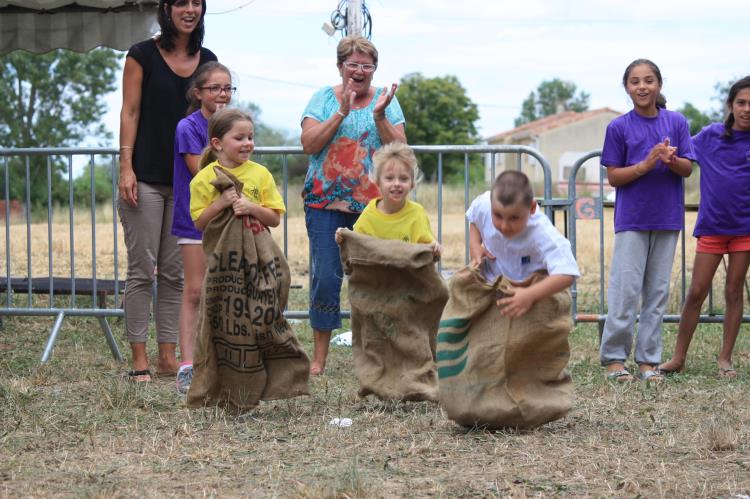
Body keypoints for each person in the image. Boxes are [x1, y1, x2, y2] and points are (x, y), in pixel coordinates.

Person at [119, 0, 217, 382]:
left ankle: (168, 356)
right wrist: (126, 167)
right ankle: (139, 359)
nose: (189, 9)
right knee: (142, 270)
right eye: (181, 3)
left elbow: (215, 117)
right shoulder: (141, 54)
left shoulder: (207, 58)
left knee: (176, 275)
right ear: (166, 8)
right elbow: (130, 111)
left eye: (197, 3)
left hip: (188, 185)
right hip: (143, 177)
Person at [300, 35, 406, 376]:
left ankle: (378, 357)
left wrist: (379, 117)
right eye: (353, 64)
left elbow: (402, 149)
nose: (359, 71)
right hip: (324, 205)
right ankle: (319, 359)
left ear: (374, 70)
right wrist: (341, 112)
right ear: (340, 67)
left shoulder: (386, 102)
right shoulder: (322, 99)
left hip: (375, 208)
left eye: (367, 65)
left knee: (377, 281)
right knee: (326, 280)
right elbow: (308, 144)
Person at [599, 59, 695, 383]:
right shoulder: (619, 127)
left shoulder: (677, 122)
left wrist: (670, 161)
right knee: (625, 292)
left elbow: (687, 169)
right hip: (632, 220)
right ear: (627, 88)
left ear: (659, 85)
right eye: (635, 81)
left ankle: (648, 362)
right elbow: (614, 177)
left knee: (656, 293)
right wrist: (645, 164)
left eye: (649, 80)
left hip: (667, 219)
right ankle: (614, 359)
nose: (642, 87)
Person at [659, 76, 750, 379]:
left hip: (745, 229)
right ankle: (678, 357)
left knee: (734, 290)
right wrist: (669, 152)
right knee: (696, 291)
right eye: (741, 102)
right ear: (730, 105)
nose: (747, 109)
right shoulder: (712, 136)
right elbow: (683, 152)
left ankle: (725, 359)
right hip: (712, 225)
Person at [171, 61, 233, 394]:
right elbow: (203, 172)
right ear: (199, 93)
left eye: (227, 88)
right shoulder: (188, 127)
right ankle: (187, 364)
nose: (222, 94)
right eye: (215, 88)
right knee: (195, 291)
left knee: (224, 290)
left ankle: (221, 361)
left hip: (228, 217)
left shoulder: (233, 124)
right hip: (196, 217)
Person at [466, 170, 580, 318]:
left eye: (514, 218)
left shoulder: (543, 233)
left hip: (533, 294)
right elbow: (474, 218)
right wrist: (475, 245)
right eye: (498, 216)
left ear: (532, 208)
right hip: (493, 287)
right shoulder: (484, 204)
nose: (505, 226)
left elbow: (567, 273)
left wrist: (530, 295)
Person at [334, 141, 440, 257]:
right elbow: (356, 244)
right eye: (389, 178)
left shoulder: (417, 213)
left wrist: (434, 248)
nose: (397, 184)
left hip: (407, 274)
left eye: (404, 179)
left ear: (412, 184)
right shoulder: (369, 213)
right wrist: (343, 238)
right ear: (377, 182)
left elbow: (427, 247)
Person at [189, 108, 285, 234]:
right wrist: (220, 203)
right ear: (217, 144)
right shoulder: (202, 179)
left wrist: (251, 207)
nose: (247, 143)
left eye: (250, 137)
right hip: (219, 250)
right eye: (239, 138)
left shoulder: (262, 173)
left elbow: (275, 220)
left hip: (256, 250)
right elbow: (199, 224)